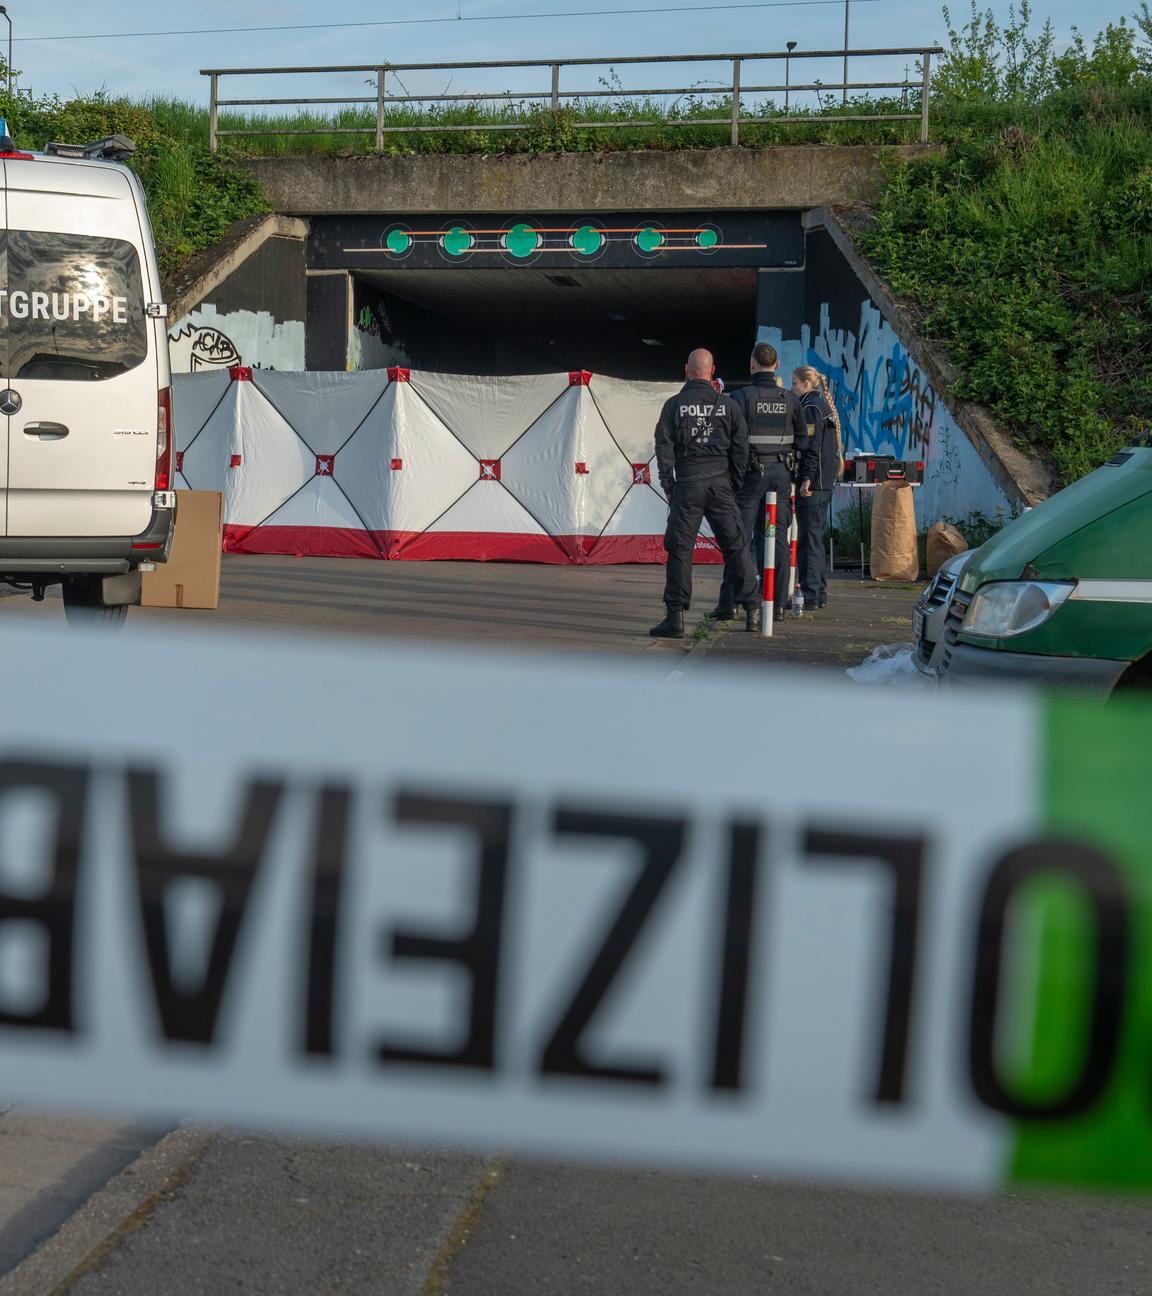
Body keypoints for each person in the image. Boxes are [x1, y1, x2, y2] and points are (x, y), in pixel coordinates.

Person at [649, 348, 761, 638]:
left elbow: (664, 449)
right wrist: (732, 484)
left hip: (688, 484)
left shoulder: (673, 406)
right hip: (720, 483)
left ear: (686, 369)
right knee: (736, 547)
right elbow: (741, 450)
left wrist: (669, 486)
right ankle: (753, 611)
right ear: (712, 371)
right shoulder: (728, 405)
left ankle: (675, 618)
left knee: (680, 549)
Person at [713, 342, 810, 621]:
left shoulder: (740, 398)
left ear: (752, 364)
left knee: (739, 538)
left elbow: (727, 439)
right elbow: (803, 440)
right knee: (776, 538)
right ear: (777, 366)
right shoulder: (790, 400)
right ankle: (777, 604)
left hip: (748, 478)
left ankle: (730, 603)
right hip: (780, 477)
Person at [792, 365, 845, 610]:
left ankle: (811, 594)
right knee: (815, 538)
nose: (791, 389)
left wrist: (806, 479)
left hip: (814, 484)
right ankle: (819, 591)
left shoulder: (810, 408)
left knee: (809, 540)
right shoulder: (823, 407)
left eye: (794, 384)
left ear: (806, 383)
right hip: (825, 482)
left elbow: (811, 448)